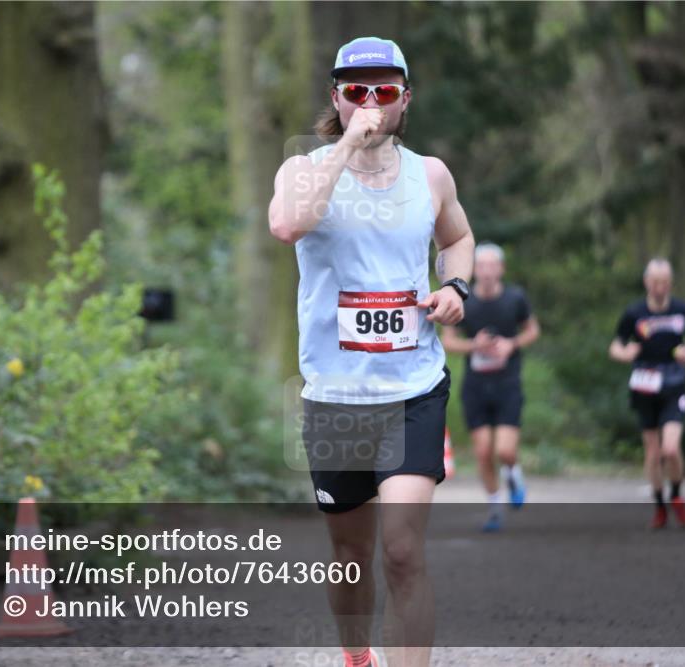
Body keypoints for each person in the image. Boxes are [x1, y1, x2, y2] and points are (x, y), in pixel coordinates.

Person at [268, 36, 475, 667]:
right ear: (336, 97)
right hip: (334, 396)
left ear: (405, 99)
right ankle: (357, 656)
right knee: (351, 555)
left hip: (413, 388)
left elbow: (460, 236)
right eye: (357, 91)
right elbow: (288, 225)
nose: (372, 104)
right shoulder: (302, 169)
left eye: (385, 92)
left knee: (403, 552)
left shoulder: (430, 175)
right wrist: (347, 149)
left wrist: (456, 286)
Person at [440, 243, 540, 532]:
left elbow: (533, 330)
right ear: (473, 269)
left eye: (490, 265)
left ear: (501, 269)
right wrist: (475, 345)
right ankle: (495, 508)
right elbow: (448, 340)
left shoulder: (515, 299)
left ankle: (514, 475)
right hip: (476, 386)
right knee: (484, 452)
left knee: (506, 451)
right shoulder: (465, 301)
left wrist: (512, 344)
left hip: (508, 383)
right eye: (479, 266)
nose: (485, 271)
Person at [609, 258, 685, 529]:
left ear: (670, 283)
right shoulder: (634, 313)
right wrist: (625, 354)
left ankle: (677, 495)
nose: (659, 286)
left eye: (664, 281)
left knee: (670, 448)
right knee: (652, 449)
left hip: (673, 384)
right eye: (654, 281)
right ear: (647, 282)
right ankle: (660, 506)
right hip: (644, 384)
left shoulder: (684, 310)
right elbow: (615, 346)